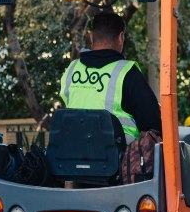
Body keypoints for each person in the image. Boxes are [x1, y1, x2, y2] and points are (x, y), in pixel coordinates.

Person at [60, 12, 161, 144]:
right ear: (120, 37)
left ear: (91, 37)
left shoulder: (72, 69)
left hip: (72, 156)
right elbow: (152, 125)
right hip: (118, 161)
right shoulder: (127, 72)